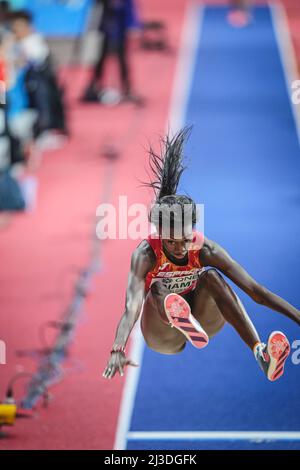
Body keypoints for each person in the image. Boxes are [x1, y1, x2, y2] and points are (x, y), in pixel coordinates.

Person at [103, 127, 299, 381]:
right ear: (159, 234)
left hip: (203, 320)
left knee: (212, 278)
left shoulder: (205, 250)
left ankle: (260, 354)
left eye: (186, 239)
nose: (181, 247)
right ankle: (177, 316)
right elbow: (131, 307)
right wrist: (118, 347)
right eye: (172, 242)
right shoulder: (146, 255)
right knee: (159, 286)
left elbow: (255, 291)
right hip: (162, 334)